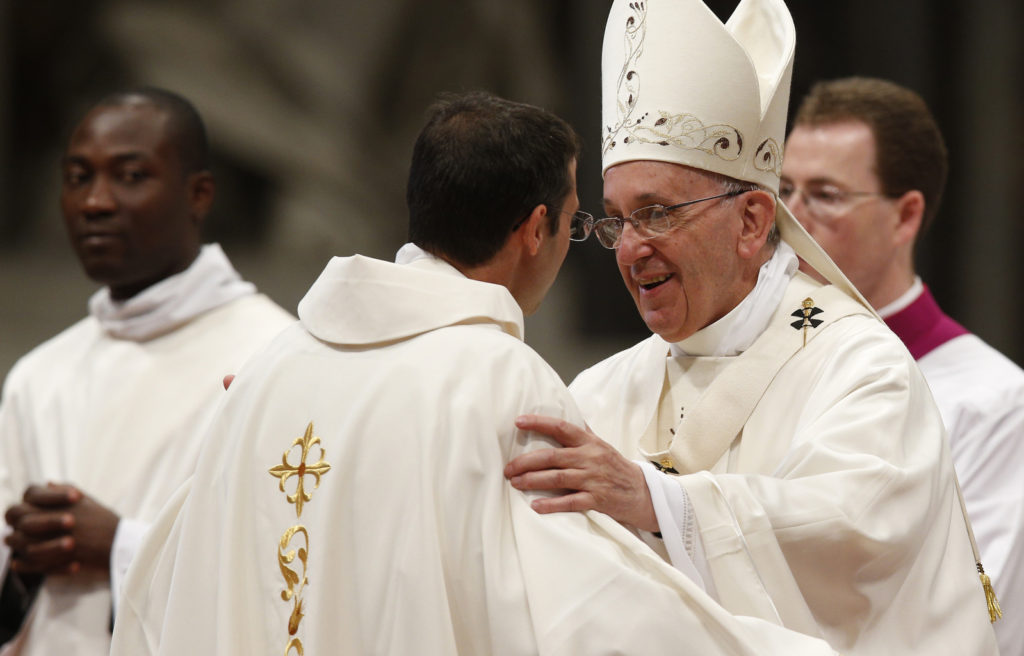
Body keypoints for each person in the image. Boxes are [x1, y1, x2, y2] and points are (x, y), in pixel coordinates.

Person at [109, 91, 838, 655]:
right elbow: (587, 615)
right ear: (534, 230)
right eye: (581, 221)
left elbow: (168, 580)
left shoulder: (272, 364)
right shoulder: (495, 381)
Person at [503, 0, 999, 654]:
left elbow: (852, 534)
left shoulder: (861, 369)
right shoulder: (601, 392)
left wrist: (656, 501)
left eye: (656, 213)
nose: (629, 249)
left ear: (752, 221)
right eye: (618, 219)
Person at [0, 88, 294, 655]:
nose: (95, 202)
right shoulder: (40, 375)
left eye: (130, 176)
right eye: (78, 176)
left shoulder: (274, 356)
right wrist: (25, 560)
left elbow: (290, 562)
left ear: (199, 194)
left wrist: (121, 546)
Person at [781, 75, 1022, 656]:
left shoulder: (994, 402)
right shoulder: (759, 371)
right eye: (783, 190)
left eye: (825, 195)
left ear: (906, 216)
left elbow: (977, 615)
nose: (790, 220)